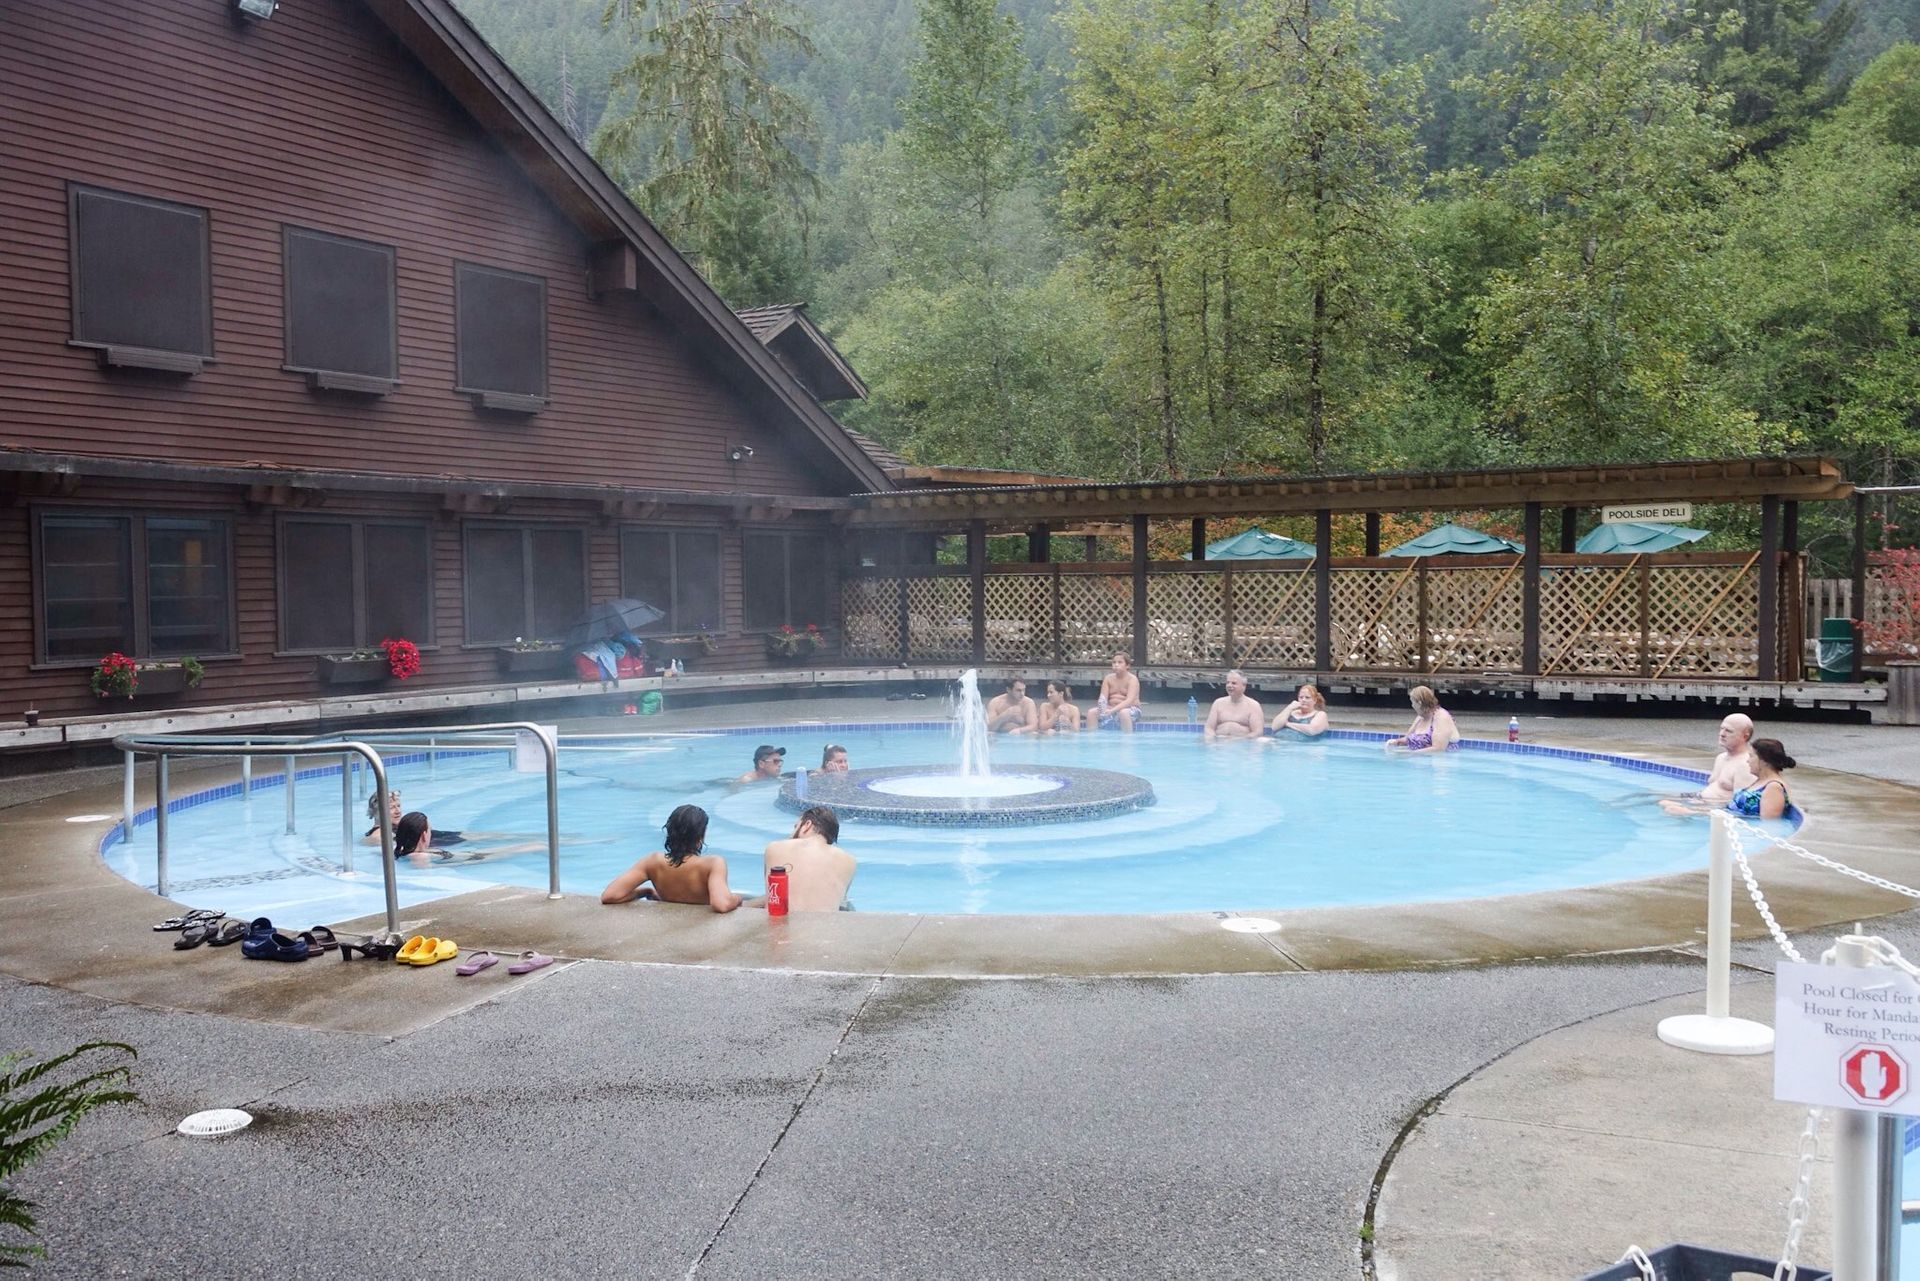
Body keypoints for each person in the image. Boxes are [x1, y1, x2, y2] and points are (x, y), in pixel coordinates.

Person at [600, 804, 745, 912]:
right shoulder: (713, 864)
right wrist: (737, 898)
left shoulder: (652, 861)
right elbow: (721, 904)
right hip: (702, 926)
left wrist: (644, 892)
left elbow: (610, 895)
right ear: (700, 836)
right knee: (759, 901)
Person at [762, 805, 857, 911]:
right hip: (823, 926)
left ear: (807, 824)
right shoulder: (849, 861)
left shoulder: (774, 848)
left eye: (795, 827)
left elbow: (772, 896)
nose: (790, 835)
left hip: (779, 925)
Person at [1660, 713, 1758, 814]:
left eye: (1728, 731)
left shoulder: (1745, 765)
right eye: (1721, 729)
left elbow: (1740, 807)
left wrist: (1693, 812)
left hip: (1713, 812)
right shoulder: (1721, 758)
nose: (1722, 734)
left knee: (1671, 809)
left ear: (1745, 736)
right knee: (1661, 800)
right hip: (1701, 801)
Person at [1726, 738, 1798, 821]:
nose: (1747, 761)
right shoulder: (1761, 781)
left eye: (1751, 756)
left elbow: (1768, 824)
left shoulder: (1774, 787)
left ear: (1764, 761)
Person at [1386, 685, 1458, 754]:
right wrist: (1396, 742)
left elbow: (1438, 748)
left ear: (1419, 703)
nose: (1412, 706)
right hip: (1418, 758)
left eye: (1412, 702)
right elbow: (1407, 739)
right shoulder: (1421, 717)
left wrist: (1410, 754)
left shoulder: (1441, 717)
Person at [1203, 670, 1264, 740]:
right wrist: (1212, 740)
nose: (1229, 685)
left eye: (1234, 683)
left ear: (1243, 686)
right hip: (1220, 743)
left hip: (1242, 743)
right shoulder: (1218, 703)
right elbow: (1209, 728)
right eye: (1228, 682)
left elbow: (1258, 732)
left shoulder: (1253, 706)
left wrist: (1243, 740)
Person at [1091, 652, 1142, 732]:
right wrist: (1103, 709)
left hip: (1130, 709)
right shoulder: (1108, 678)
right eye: (1114, 662)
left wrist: (1112, 711)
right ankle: (1092, 740)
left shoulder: (1132, 679)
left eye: (1120, 662)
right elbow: (1103, 698)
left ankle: (1128, 740)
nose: (1116, 664)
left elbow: (1129, 701)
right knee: (1092, 712)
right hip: (1111, 708)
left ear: (1127, 666)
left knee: (1123, 713)